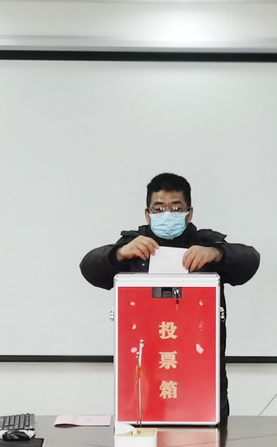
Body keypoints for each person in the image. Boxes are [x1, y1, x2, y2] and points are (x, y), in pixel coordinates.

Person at [80, 172, 259, 422]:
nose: (167, 214)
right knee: (141, 439)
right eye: (159, 208)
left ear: (189, 212)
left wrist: (217, 253)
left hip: (200, 369)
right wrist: (118, 253)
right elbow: (89, 268)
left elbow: (250, 260)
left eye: (176, 208)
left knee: (206, 440)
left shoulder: (205, 243)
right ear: (147, 214)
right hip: (143, 370)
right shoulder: (133, 246)